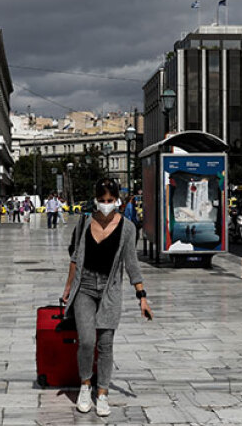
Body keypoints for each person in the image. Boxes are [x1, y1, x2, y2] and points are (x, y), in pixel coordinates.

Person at [62, 178, 152, 417]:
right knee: (87, 341)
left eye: (110, 200)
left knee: (105, 344)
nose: (105, 205)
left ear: (117, 200)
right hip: (85, 288)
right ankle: (85, 385)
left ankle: (102, 393)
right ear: (95, 200)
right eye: (101, 201)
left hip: (110, 291)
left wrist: (141, 296)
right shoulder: (83, 223)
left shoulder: (127, 228)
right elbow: (75, 259)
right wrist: (67, 289)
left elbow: (132, 264)